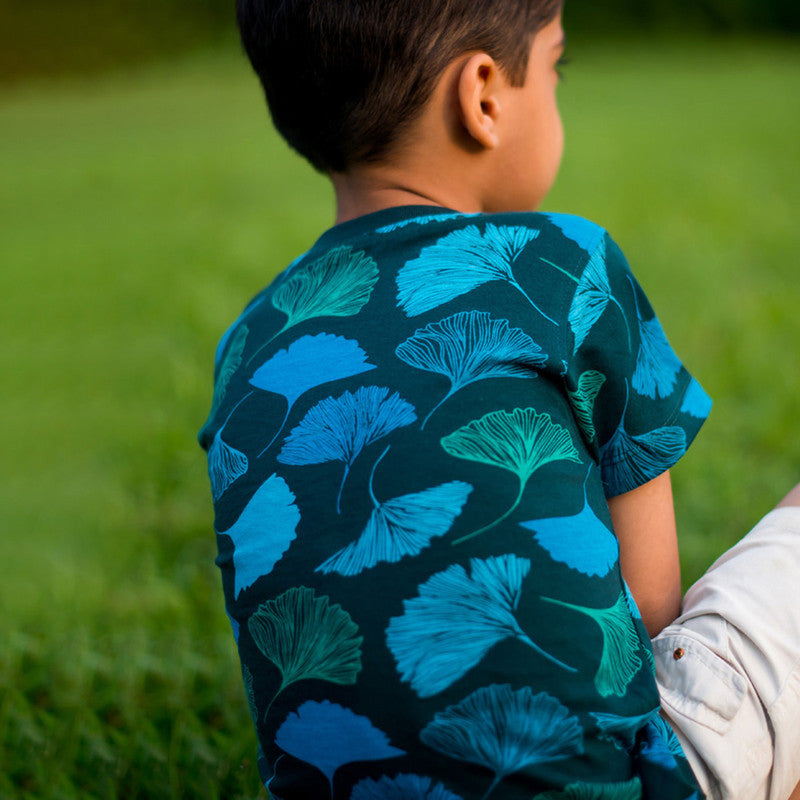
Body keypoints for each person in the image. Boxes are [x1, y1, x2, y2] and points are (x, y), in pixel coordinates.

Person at [198, 1, 800, 798]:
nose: (557, 88)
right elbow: (655, 622)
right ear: (483, 96)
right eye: (556, 66)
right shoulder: (564, 263)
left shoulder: (247, 345)